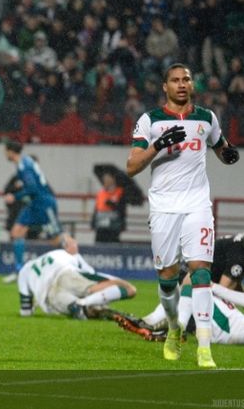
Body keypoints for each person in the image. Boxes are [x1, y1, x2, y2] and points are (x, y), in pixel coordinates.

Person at [126, 63, 240, 368]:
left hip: (198, 205)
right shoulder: (150, 120)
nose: (180, 84)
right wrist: (158, 146)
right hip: (164, 207)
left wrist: (229, 155)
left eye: (186, 79)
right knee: (167, 279)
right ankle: (174, 327)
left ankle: (205, 348)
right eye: (175, 80)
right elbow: (132, 165)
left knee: (201, 270)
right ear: (165, 86)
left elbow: (221, 147)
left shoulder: (206, 118)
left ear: (192, 85)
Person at [116, 233, 244, 342]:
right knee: (197, 287)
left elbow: (228, 288)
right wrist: (214, 288)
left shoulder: (237, 245)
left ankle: (161, 323)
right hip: (194, 276)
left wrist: (213, 287)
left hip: (191, 272)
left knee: (195, 287)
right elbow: (226, 286)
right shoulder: (239, 255)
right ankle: (164, 323)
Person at [2, 141, 74, 283]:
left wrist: (14, 196)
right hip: (34, 203)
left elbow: (33, 189)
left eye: (5, 151)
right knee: (16, 232)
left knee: (56, 239)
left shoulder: (24, 166)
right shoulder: (26, 161)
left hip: (44, 203)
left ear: (11, 152)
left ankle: (76, 263)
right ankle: (19, 271)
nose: (4, 154)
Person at [18, 243, 137, 320]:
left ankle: (82, 305)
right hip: (66, 274)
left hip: (50, 297)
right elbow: (89, 272)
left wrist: (33, 305)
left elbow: (25, 312)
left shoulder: (24, 271)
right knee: (129, 290)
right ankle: (88, 303)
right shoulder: (61, 253)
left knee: (80, 310)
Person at [91, 171, 126, 243]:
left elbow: (122, 209)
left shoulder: (120, 192)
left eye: (108, 179)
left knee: (113, 245)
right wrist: (93, 222)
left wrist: (112, 204)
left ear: (113, 180)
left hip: (113, 226)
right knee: (99, 244)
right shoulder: (101, 193)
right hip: (101, 225)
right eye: (104, 179)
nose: (105, 181)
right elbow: (96, 209)